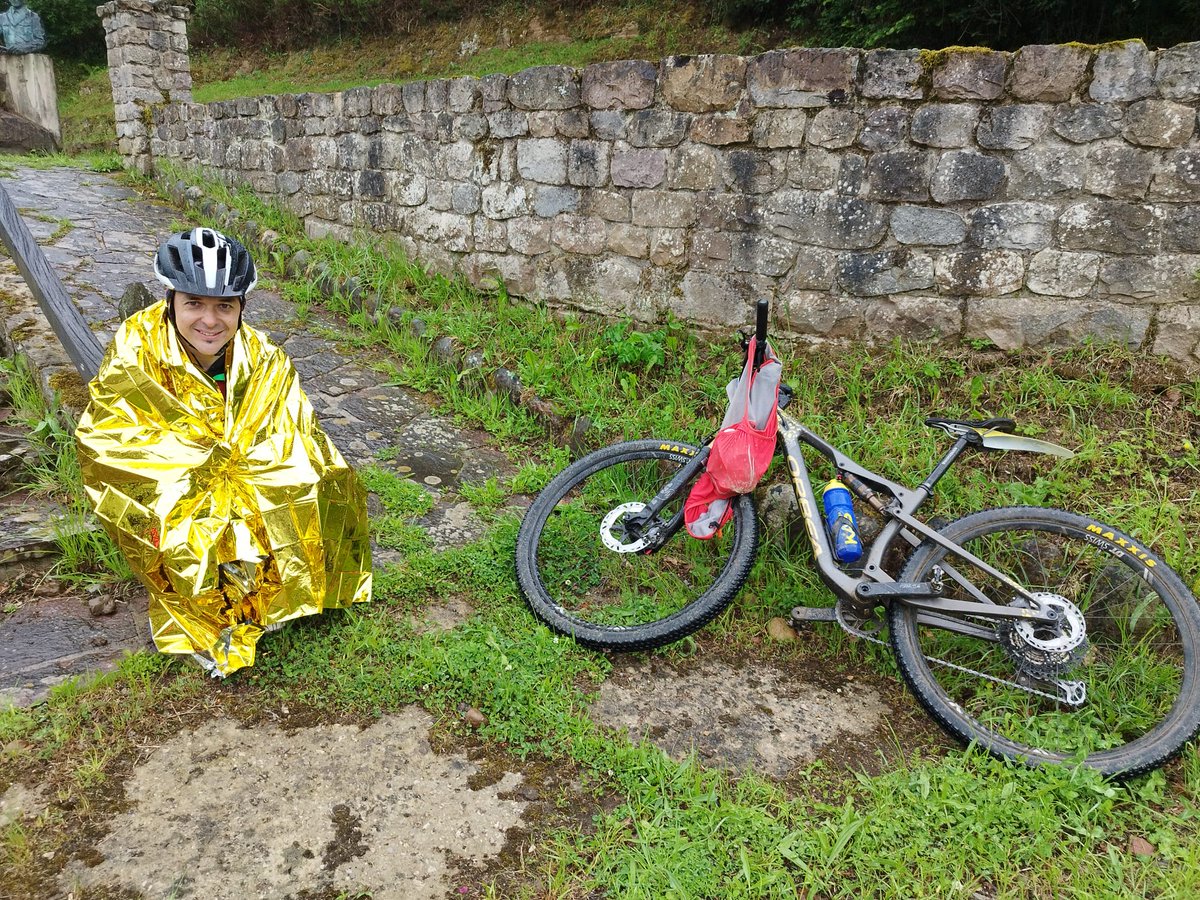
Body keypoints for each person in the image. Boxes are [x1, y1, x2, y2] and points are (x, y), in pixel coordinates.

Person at [75, 227, 372, 678]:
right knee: (184, 509)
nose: (209, 321)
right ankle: (204, 607)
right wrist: (200, 465)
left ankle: (280, 590)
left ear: (241, 309)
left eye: (224, 307)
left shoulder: (263, 357)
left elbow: (291, 425)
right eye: (194, 304)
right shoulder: (138, 349)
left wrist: (259, 465)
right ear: (170, 301)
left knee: (321, 477)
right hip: (175, 472)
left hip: (248, 463)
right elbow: (116, 434)